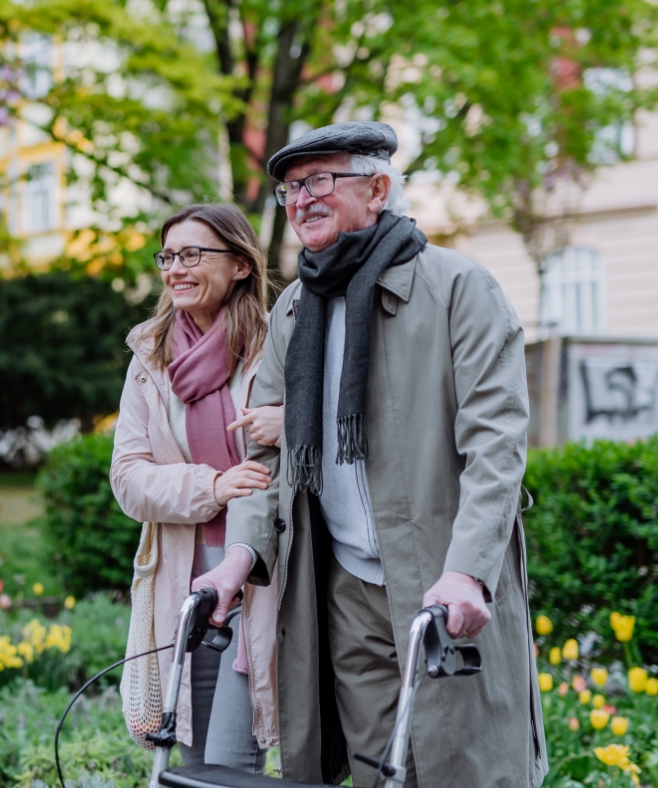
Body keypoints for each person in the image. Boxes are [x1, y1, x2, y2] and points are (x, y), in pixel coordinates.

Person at [193, 122, 548, 788]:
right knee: (376, 772)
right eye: (291, 188)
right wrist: (237, 560)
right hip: (347, 592)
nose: (301, 199)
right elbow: (266, 460)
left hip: (441, 585)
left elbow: (495, 446)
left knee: (463, 769)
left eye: (321, 181)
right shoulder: (295, 310)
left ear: (379, 188)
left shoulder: (459, 289)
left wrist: (468, 571)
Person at [110, 203, 282, 771]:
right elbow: (129, 479)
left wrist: (290, 424)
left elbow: (296, 464)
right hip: (183, 578)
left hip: (260, 575)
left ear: (239, 265)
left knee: (233, 759)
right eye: (168, 256)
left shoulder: (275, 347)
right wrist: (214, 485)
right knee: (190, 751)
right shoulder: (150, 357)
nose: (175, 269)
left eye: (192, 255)